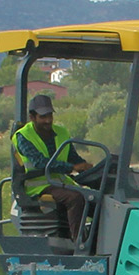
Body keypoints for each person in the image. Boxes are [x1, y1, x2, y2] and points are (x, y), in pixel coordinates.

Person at [11, 92, 93, 241]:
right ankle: (79, 243)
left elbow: (72, 157)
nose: (48, 120)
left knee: (95, 199)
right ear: (32, 117)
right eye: (43, 117)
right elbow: (40, 162)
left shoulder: (61, 133)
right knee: (75, 198)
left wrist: (88, 168)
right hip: (38, 186)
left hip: (60, 183)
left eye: (50, 116)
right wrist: (72, 168)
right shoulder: (23, 136)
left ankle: (96, 242)